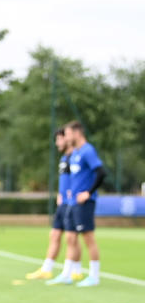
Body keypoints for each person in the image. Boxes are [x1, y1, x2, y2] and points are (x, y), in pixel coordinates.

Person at [53, 121, 105, 287]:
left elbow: (101, 172)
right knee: (70, 237)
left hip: (85, 203)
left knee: (88, 238)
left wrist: (88, 192)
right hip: (73, 202)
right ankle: (67, 273)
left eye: (68, 134)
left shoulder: (88, 151)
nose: (66, 138)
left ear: (77, 133)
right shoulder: (75, 153)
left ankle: (94, 276)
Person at [26, 128, 75, 280]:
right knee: (54, 234)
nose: (57, 143)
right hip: (62, 203)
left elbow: (81, 178)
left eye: (59, 139)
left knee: (71, 237)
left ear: (67, 138)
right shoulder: (64, 159)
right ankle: (47, 269)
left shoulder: (76, 156)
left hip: (72, 203)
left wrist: (72, 192)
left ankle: (75, 271)